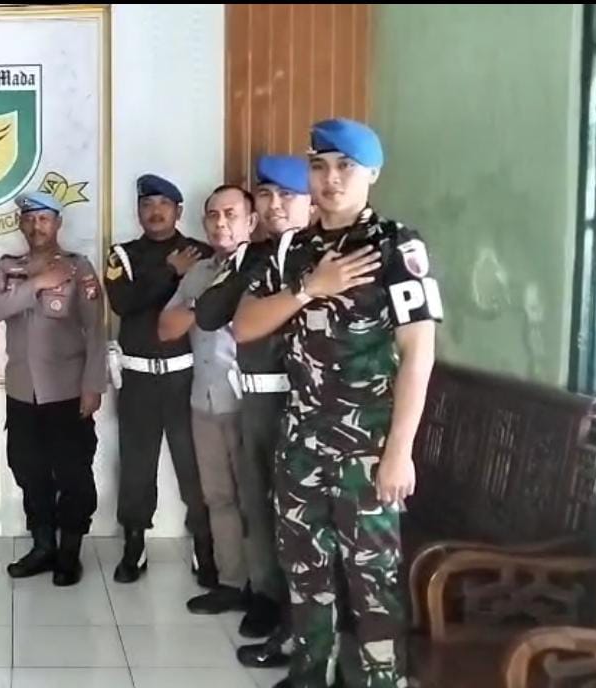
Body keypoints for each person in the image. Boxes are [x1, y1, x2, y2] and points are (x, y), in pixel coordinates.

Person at [232, 119, 441, 688]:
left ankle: (380, 679)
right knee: (304, 569)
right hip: (301, 437)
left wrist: (399, 451)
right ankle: (310, 674)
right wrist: (308, 289)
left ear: (372, 173)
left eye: (346, 166)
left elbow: (418, 352)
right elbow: (244, 325)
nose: (331, 179)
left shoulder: (396, 246)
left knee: (372, 578)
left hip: (367, 445)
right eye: (320, 167)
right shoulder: (293, 251)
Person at [194, 155, 312, 667]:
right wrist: (244, 268)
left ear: (311, 203)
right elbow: (210, 313)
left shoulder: (319, 254)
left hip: (307, 400)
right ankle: (266, 596)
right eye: (266, 195)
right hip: (256, 396)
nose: (275, 205)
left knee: (298, 512)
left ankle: (298, 614)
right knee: (258, 503)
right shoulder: (257, 258)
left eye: (287, 195)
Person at [0, 191, 106, 587]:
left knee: (73, 474)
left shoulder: (78, 268)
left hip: (67, 390)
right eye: (30, 219)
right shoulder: (8, 268)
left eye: (44, 219)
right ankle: (42, 546)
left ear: (57, 224)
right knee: (27, 468)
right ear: (21, 224)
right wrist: (37, 283)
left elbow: (96, 330)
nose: (36, 226)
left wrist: (93, 385)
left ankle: (69, 551)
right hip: (23, 392)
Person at [104, 173, 217, 586]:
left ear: (178, 210)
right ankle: (134, 544)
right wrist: (170, 273)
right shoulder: (123, 254)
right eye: (147, 205)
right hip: (138, 377)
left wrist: (178, 272)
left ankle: (204, 545)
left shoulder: (203, 253)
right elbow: (124, 303)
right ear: (138, 211)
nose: (155, 212)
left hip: (186, 375)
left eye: (164, 205)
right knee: (136, 466)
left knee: (194, 465)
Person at [158, 185, 257, 612]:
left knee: (255, 499)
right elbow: (167, 328)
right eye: (213, 216)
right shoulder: (199, 272)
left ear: (251, 221)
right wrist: (204, 302)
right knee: (218, 497)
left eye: (231, 214)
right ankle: (232, 583)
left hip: (249, 403)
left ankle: (265, 591)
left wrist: (197, 309)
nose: (221, 223)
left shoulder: (262, 269)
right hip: (204, 400)